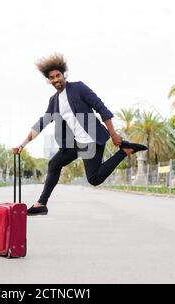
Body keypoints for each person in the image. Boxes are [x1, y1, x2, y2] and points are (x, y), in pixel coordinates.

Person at [13, 53, 147, 215]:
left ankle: (124, 151)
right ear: (48, 80)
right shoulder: (53, 101)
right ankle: (42, 203)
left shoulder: (78, 88)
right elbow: (42, 123)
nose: (56, 79)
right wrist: (22, 144)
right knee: (54, 164)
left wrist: (113, 133)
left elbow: (101, 108)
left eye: (58, 75)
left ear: (64, 75)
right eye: (52, 77)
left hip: (92, 139)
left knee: (94, 179)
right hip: (75, 142)